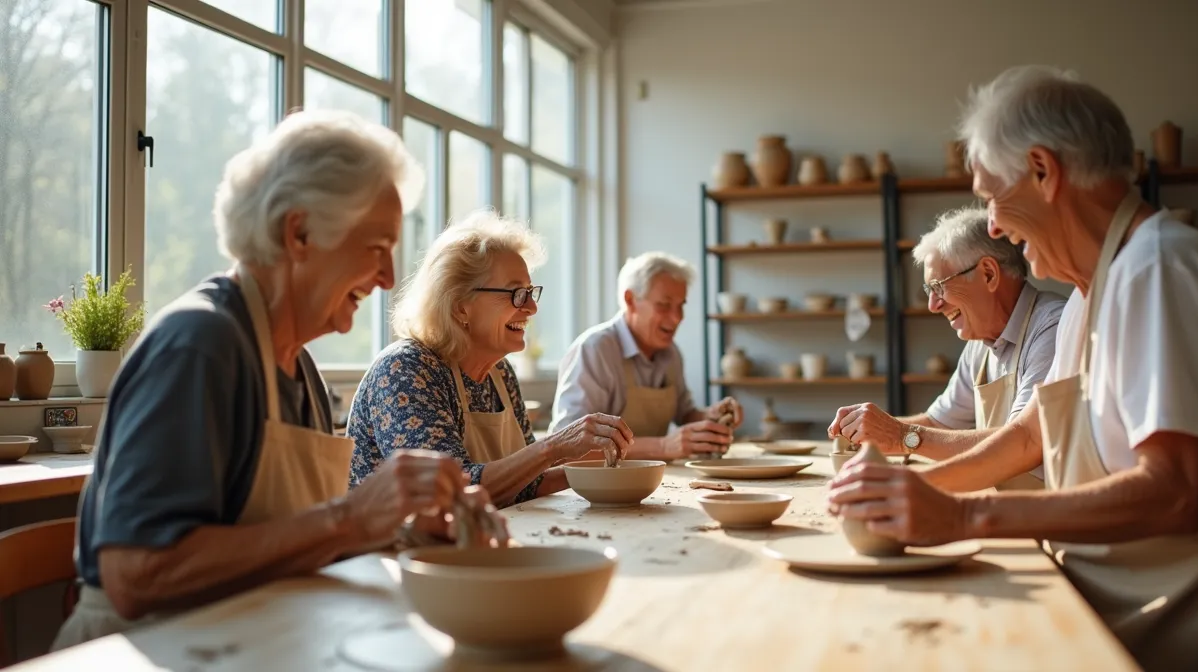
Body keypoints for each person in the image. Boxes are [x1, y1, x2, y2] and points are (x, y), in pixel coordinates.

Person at [827, 65, 1198, 672]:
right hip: (1124, 598)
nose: (994, 226)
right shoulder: (1089, 294)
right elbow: (1029, 436)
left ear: (1043, 171)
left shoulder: (1160, 273)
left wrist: (961, 516)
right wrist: (908, 495)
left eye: (991, 198)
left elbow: (1174, 493)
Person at [52, 110, 505, 651]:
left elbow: (290, 540)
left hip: (248, 640)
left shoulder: (297, 365)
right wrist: (351, 518)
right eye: (377, 246)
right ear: (300, 233)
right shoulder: (200, 345)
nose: (388, 277)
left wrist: (406, 530)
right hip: (146, 652)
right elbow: (136, 575)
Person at [348, 211, 634, 507]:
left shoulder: (500, 373)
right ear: (460, 307)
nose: (532, 308)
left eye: (530, 292)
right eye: (517, 294)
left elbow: (525, 484)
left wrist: (597, 460)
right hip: (399, 551)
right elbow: (450, 493)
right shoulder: (406, 370)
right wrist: (555, 447)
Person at [828, 206, 1065, 489]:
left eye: (939, 287)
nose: (933, 305)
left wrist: (900, 436)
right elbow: (941, 425)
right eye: (930, 292)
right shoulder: (982, 340)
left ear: (989, 274)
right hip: (1007, 508)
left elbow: (1023, 443)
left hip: (1050, 518)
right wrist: (872, 429)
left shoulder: (1052, 327)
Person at [550, 252, 743, 460]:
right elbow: (568, 447)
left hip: (651, 480)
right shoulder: (594, 350)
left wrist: (711, 416)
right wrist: (663, 447)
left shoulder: (671, 354)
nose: (677, 317)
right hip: (596, 487)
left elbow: (685, 414)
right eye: (664, 305)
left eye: (681, 306)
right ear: (630, 300)